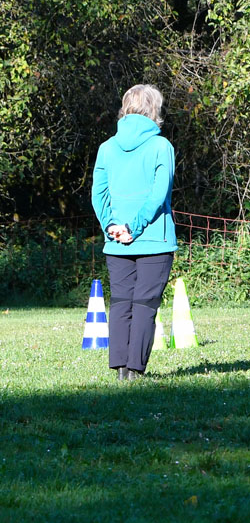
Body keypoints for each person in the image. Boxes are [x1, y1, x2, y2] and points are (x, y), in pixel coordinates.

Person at [91, 84, 177, 380]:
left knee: (121, 302)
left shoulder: (106, 148)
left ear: (125, 108)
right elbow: (158, 194)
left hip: (117, 241)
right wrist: (134, 227)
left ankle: (119, 370)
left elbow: (98, 196)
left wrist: (112, 228)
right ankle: (136, 371)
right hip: (154, 239)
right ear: (154, 109)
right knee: (144, 304)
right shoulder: (161, 146)